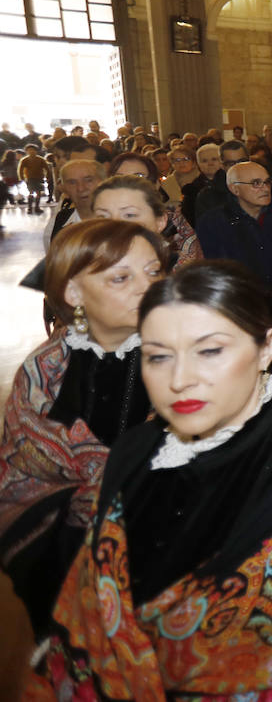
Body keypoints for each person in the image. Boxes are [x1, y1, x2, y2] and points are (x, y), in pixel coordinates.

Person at [25, 261, 272, 696]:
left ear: (265, 348)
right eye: (158, 356)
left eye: (210, 350)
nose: (180, 380)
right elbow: (91, 611)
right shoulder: (133, 450)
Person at [0, 220, 166, 632]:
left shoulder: (186, 353)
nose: (147, 286)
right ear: (74, 292)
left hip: (170, 548)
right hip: (63, 550)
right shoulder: (47, 369)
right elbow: (27, 464)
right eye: (121, 276)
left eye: (153, 271)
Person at [195, 161, 272, 287]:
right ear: (235, 189)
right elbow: (213, 270)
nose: (265, 188)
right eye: (256, 183)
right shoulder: (213, 222)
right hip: (240, 295)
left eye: (267, 182)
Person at [93, 175, 203, 271]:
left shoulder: (185, 279)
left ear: (160, 221)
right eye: (103, 216)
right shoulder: (82, 274)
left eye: (129, 215)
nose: (114, 224)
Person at [44, 158, 101, 248]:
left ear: (102, 182)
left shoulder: (119, 219)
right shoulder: (57, 223)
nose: (81, 188)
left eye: (88, 180)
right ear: (63, 188)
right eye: (72, 182)